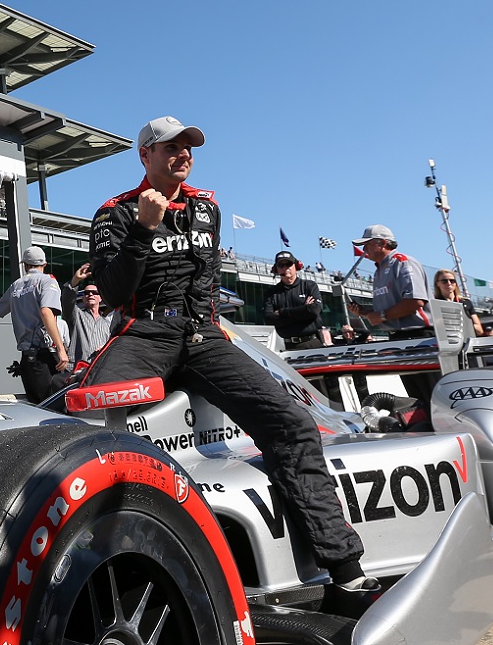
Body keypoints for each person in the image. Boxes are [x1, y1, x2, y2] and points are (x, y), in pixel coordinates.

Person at [82, 117, 375, 595]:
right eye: (170, 147)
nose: (183, 154)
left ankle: (345, 569)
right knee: (91, 421)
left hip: (202, 334)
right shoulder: (115, 212)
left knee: (293, 422)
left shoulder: (207, 207)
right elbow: (112, 295)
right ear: (145, 156)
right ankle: (99, 568)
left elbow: (204, 282)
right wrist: (142, 231)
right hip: (145, 331)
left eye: (188, 147)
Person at [0, 246, 70, 403]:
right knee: (54, 409)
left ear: (25, 265)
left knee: (38, 406)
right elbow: (46, 312)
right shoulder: (47, 282)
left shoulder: (16, 286)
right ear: (44, 264)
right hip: (46, 356)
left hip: (28, 360)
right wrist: (61, 350)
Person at [353, 226, 432, 334]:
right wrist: (365, 313)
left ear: (382, 243)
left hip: (418, 335)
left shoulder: (402, 262)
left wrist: (381, 316)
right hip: (397, 336)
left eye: (367, 244)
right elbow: (387, 311)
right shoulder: (379, 270)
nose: (364, 249)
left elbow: (415, 301)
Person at [262, 251, 326, 350]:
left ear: (296, 266)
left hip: (312, 344)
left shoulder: (309, 286)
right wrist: (304, 312)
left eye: (288, 264)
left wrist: (282, 312)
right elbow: (269, 318)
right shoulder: (271, 293)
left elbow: (314, 310)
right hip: (287, 347)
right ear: (276, 269)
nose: (285, 267)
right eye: (281, 265)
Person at [61, 271, 112, 367]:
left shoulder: (107, 324)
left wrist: (105, 348)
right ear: (83, 298)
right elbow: (67, 300)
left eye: (94, 293)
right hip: (77, 368)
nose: (90, 294)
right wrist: (75, 281)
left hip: (99, 369)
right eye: (87, 293)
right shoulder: (76, 315)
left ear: (100, 298)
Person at [432, 270, 485, 338]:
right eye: (444, 281)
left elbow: (479, 330)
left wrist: (459, 326)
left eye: (452, 281)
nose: (449, 283)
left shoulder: (466, 302)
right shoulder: (434, 303)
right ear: (437, 283)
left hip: (467, 341)